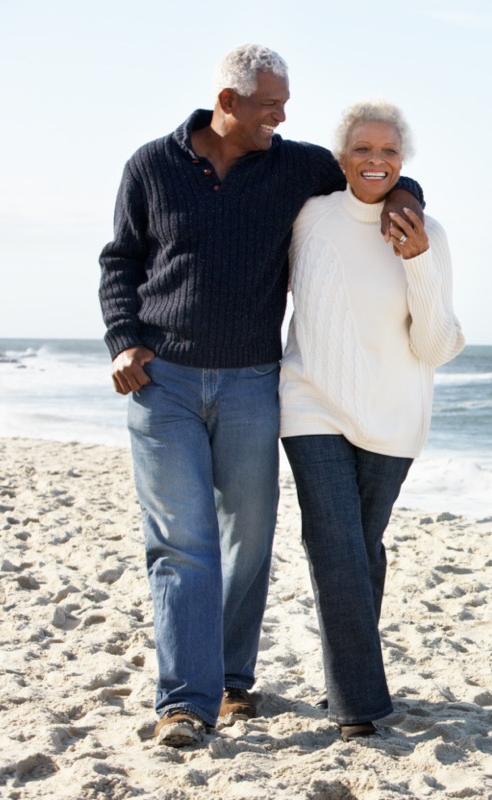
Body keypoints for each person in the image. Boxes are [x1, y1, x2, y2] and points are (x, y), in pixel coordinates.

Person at [98, 45, 425, 748]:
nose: (282, 115)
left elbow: (373, 171)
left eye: (284, 103)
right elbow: (120, 260)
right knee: (182, 544)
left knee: (246, 543)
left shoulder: (293, 165)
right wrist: (123, 338)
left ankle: (232, 681)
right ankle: (185, 703)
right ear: (228, 102)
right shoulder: (150, 167)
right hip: (163, 382)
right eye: (270, 104)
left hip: (252, 381)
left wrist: (407, 197)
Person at [279, 100, 464, 741]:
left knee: (361, 550)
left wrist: (416, 262)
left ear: (403, 161)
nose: (375, 162)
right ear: (342, 158)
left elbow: (436, 346)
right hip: (311, 403)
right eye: (363, 149)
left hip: (394, 417)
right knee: (333, 544)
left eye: (388, 152)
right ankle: (359, 706)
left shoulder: (427, 232)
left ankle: (346, 680)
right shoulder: (310, 218)